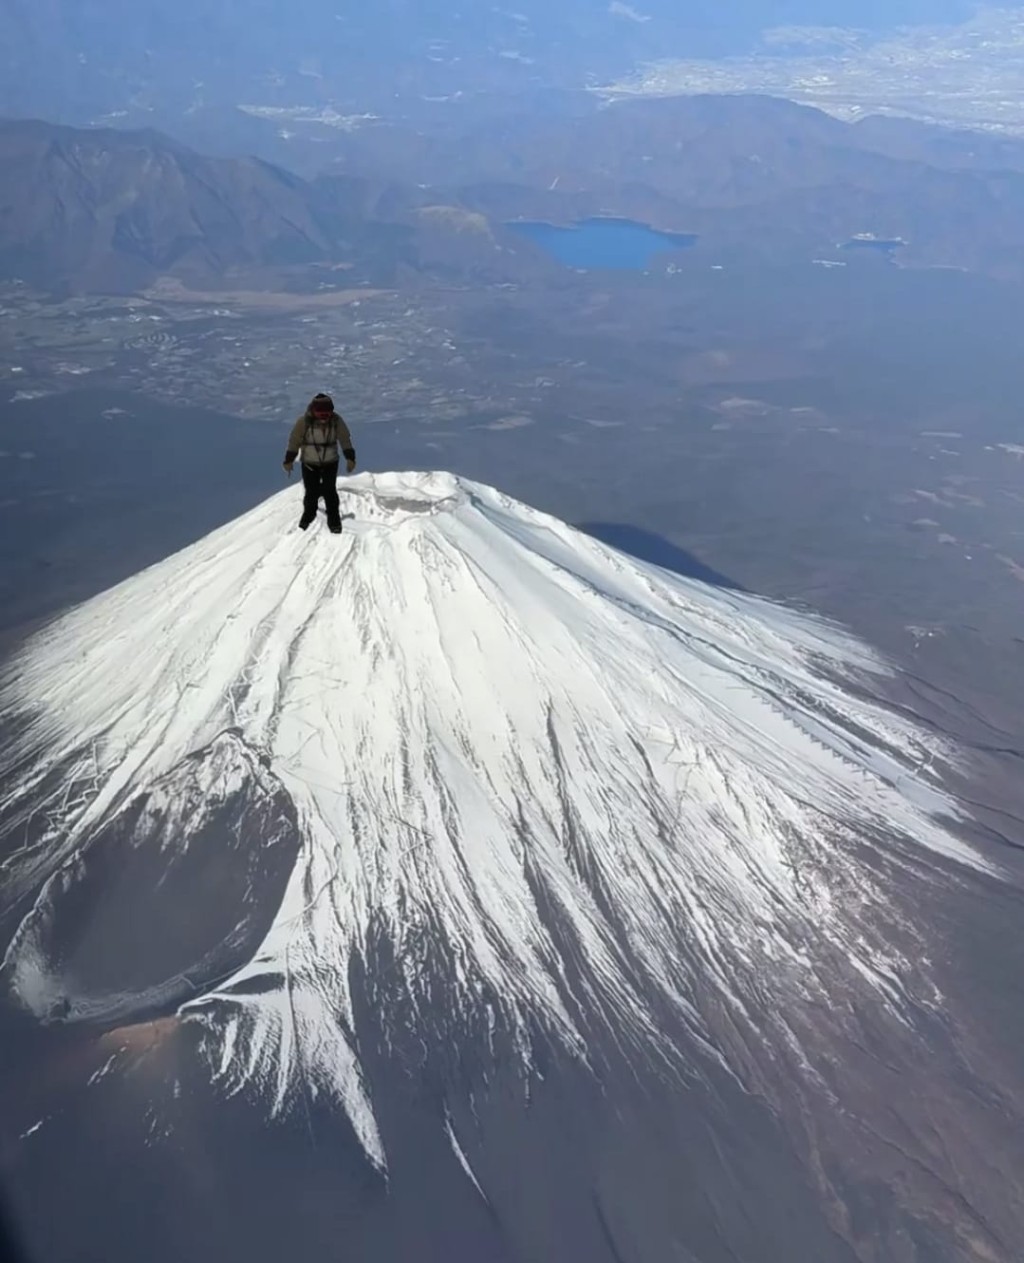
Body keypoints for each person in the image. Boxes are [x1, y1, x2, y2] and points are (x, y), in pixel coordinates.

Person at [282, 392, 357, 533]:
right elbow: (294, 441)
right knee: (311, 492)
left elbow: (345, 439)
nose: (324, 416)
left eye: (327, 413)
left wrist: (350, 457)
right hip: (310, 464)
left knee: (330, 492)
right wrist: (289, 459)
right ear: (313, 411)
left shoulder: (336, 421)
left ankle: (334, 522)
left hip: (330, 463)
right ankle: (308, 515)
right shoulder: (303, 422)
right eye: (320, 413)